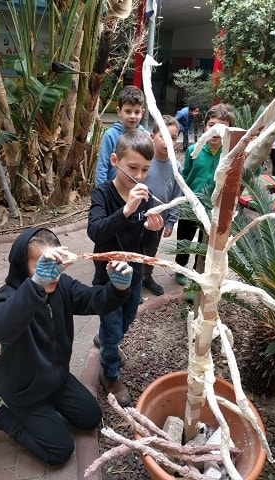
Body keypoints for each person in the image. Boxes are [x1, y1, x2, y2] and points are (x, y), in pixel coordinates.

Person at [0, 227, 133, 465]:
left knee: (91, 417)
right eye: (43, 266)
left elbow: (94, 300)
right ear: (24, 267)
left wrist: (118, 288)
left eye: (57, 265)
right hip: (22, 390)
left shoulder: (62, 286)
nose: (52, 275)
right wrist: (35, 285)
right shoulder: (10, 295)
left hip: (55, 379)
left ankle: (46, 411)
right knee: (59, 451)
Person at [88, 129, 164, 406]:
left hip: (134, 276)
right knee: (113, 329)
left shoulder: (146, 196)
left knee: (126, 321)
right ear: (114, 161)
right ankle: (110, 373)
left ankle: (109, 338)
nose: (140, 176)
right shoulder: (103, 194)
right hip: (107, 278)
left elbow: (145, 245)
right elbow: (96, 231)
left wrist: (154, 230)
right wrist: (126, 210)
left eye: (146, 169)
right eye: (133, 167)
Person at [174, 103, 235, 288]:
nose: (216, 131)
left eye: (222, 126)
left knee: (204, 243)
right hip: (191, 204)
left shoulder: (230, 155)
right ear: (205, 126)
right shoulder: (194, 150)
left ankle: (196, 271)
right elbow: (186, 175)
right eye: (212, 125)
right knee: (184, 238)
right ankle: (180, 266)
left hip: (214, 209)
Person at [142, 115, 182, 296]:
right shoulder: (143, 161)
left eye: (173, 138)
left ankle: (146, 277)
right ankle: (132, 284)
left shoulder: (176, 167)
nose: (168, 142)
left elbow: (176, 195)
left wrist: (171, 221)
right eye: (163, 137)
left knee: (151, 250)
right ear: (152, 136)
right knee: (133, 249)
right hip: (138, 219)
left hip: (159, 220)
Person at [95, 85, 148, 186]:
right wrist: (101, 192)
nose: (132, 116)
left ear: (142, 112)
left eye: (137, 112)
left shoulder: (146, 136)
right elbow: (102, 167)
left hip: (136, 190)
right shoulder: (110, 136)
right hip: (112, 190)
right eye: (128, 111)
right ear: (119, 111)